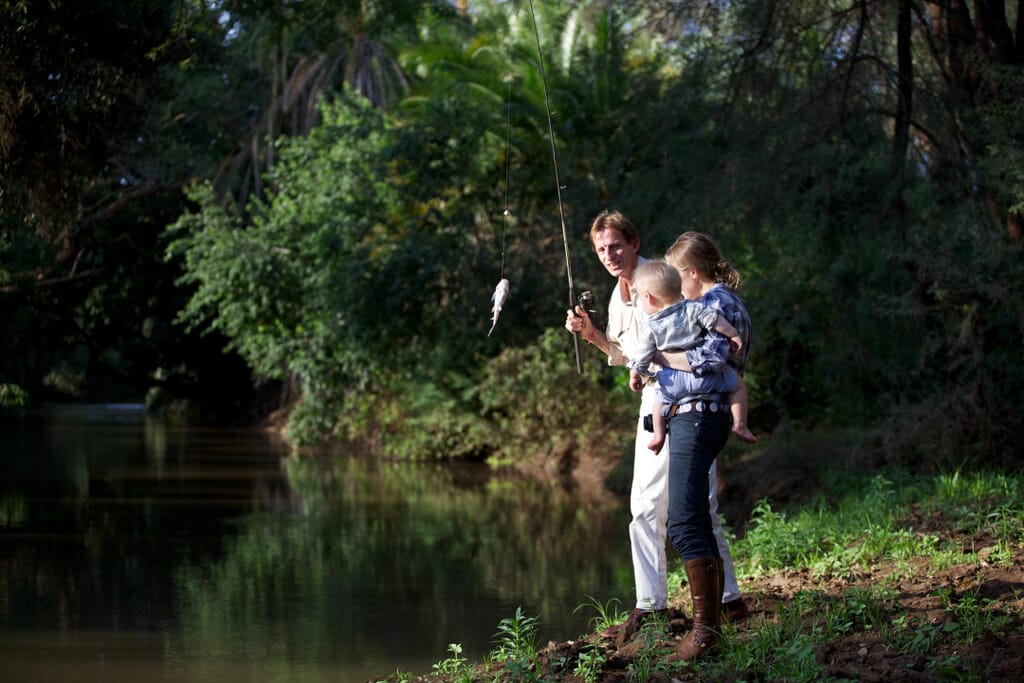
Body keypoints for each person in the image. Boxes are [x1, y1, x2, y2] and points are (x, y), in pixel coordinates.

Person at [563, 211, 748, 645]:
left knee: (701, 504)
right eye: (601, 249)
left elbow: (694, 334)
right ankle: (651, 605)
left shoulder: (662, 278)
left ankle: (730, 600)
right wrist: (593, 336)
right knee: (644, 506)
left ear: (633, 242)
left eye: (616, 246)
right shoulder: (614, 297)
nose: (610, 255)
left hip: (688, 396)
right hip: (654, 398)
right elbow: (628, 354)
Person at [659, 230, 756, 661]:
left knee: (682, 520)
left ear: (692, 273)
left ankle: (703, 633)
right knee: (694, 515)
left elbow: (711, 362)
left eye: (677, 277)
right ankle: (711, 628)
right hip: (698, 415)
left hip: (700, 415)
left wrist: (655, 357)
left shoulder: (717, 306)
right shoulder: (714, 305)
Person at [627, 260, 756, 454]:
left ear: (649, 298)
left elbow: (642, 356)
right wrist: (733, 335)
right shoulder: (692, 308)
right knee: (738, 385)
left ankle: (658, 436)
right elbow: (715, 320)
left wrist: (635, 375)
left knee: (658, 400)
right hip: (702, 377)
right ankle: (739, 424)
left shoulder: (650, 327)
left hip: (672, 383)